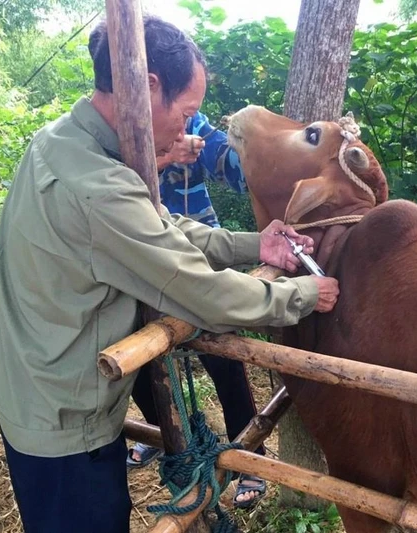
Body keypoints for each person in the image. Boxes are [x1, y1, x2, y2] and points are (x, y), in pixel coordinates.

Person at [0, 15, 339, 533]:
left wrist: (253, 244)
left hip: (36, 388)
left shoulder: (63, 143)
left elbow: (157, 225)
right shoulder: (98, 189)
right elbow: (200, 291)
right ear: (148, 85)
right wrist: (299, 294)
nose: (186, 129)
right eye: (188, 111)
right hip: (64, 420)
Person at [125, 113, 271, 509]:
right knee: (136, 361)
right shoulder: (118, 128)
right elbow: (112, 187)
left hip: (200, 254)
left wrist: (252, 148)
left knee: (225, 360)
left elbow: (233, 169)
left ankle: (249, 460)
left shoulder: (194, 123)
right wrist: (161, 156)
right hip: (138, 256)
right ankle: (167, 437)